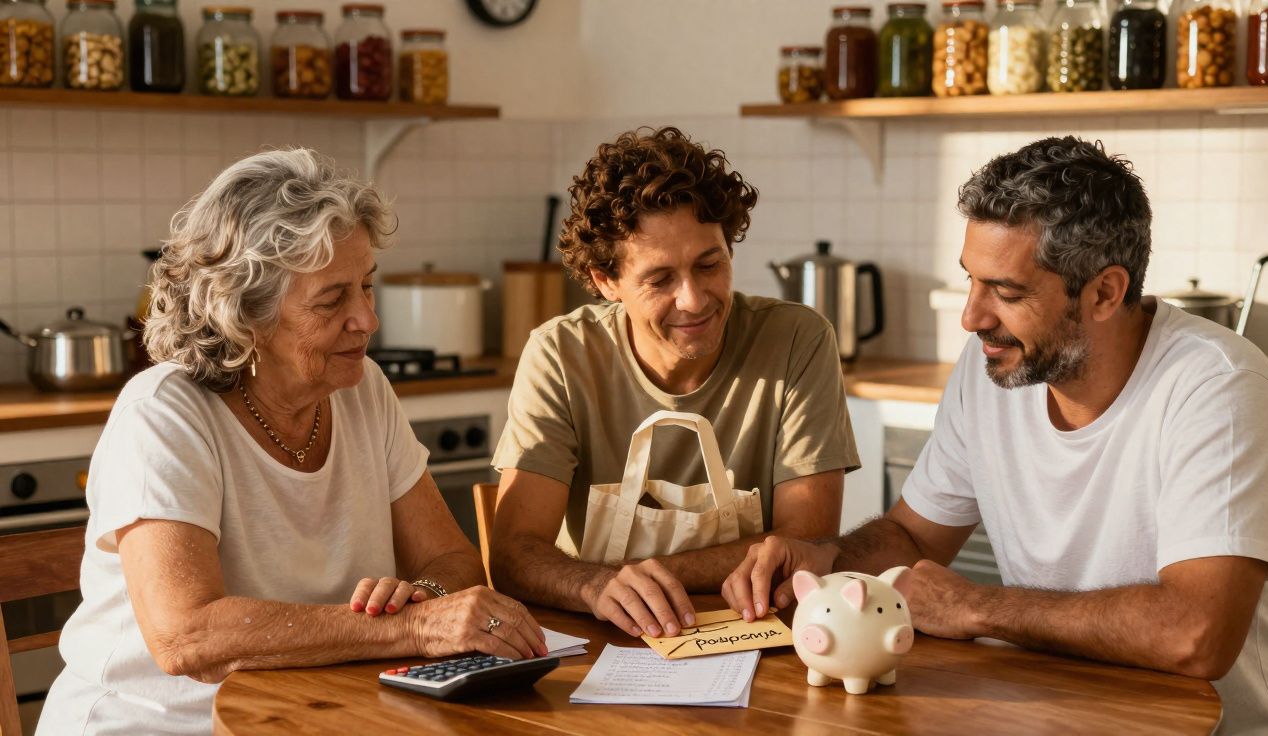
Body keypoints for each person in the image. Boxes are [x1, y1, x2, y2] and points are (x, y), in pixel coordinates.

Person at [722, 137, 1268, 734]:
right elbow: (912, 537)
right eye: (972, 282)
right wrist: (827, 563)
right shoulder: (995, 369)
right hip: (1051, 713)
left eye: (1006, 292)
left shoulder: (1216, 385)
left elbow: (1196, 634)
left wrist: (974, 605)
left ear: (1105, 292)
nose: (972, 316)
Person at [38, 149, 545, 735]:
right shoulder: (165, 415)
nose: (367, 320)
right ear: (243, 313)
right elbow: (188, 637)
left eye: (366, 287)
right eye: (332, 300)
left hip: (317, 716)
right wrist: (410, 627)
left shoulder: (362, 389)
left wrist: (424, 596)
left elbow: (450, 560)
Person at [490, 127, 860, 640]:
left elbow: (809, 540)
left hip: (754, 634)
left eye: (710, 265)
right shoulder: (562, 355)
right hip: (600, 636)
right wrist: (595, 588)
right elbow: (513, 554)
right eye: (660, 279)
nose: (694, 299)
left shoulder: (797, 339)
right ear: (605, 281)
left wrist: (635, 577)